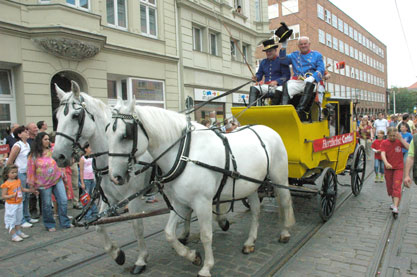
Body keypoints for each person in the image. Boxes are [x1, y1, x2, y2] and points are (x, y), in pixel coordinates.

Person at [26, 132, 72, 231]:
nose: (48, 141)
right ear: (40, 141)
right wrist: (32, 185)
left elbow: (60, 160)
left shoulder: (53, 150)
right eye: (45, 139)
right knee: (47, 204)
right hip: (43, 184)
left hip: (57, 179)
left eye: (48, 139)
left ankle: (65, 222)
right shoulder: (33, 155)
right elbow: (30, 170)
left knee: (63, 200)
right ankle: (49, 224)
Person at [279, 36, 325, 121]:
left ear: (309, 44)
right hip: (298, 81)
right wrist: (284, 47)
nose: (303, 46)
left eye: (305, 44)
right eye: (301, 44)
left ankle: (300, 112)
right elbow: (282, 60)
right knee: (287, 86)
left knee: (309, 85)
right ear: (298, 46)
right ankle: (283, 110)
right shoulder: (294, 55)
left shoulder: (317, 55)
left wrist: (312, 77)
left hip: (311, 82)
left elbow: (321, 69)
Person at [6, 125, 38, 228]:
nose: (27, 133)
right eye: (24, 132)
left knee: (27, 196)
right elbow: (10, 161)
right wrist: (14, 174)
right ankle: (21, 220)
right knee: (22, 196)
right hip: (20, 173)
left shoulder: (27, 144)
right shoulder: (17, 145)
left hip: (27, 172)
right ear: (19, 135)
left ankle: (27, 216)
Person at [1, 165, 38, 242]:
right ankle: (13, 234)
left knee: (18, 218)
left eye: (16, 172)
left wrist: (31, 190)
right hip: (11, 204)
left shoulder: (18, 181)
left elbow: (22, 189)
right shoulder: (6, 184)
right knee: (11, 219)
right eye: (12, 172)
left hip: (19, 202)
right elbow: (3, 196)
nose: (14, 174)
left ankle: (18, 231)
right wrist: (11, 195)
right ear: (7, 174)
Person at [250, 38, 290, 106]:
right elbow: (259, 75)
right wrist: (256, 78)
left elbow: (286, 76)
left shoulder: (281, 60)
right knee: (254, 88)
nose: (268, 53)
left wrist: (277, 81)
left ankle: (273, 108)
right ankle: (250, 108)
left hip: (278, 87)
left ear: (275, 50)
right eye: (267, 51)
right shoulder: (263, 62)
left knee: (278, 90)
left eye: (270, 51)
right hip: (266, 86)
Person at [381, 127, 409, 216]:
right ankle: (394, 203)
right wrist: (386, 163)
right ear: (388, 135)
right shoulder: (384, 143)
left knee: (397, 186)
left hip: (398, 167)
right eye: (391, 136)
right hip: (389, 168)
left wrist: (401, 138)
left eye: (394, 136)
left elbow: (409, 147)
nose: (393, 137)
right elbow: (382, 153)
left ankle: (396, 207)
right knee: (390, 187)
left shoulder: (399, 141)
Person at [79, 146, 98, 219]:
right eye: (89, 148)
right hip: (86, 179)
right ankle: (87, 213)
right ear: (85, 149)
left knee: (93, 196)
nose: (91, 149)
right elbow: (81, 170)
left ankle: (94, 212)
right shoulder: (82, 159)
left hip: (92, 178)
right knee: (86, 197)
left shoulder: (92, 157)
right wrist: (82, 182)